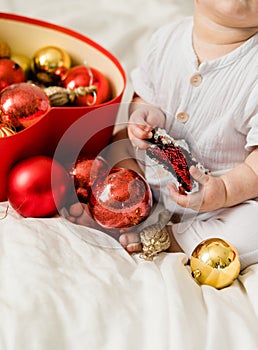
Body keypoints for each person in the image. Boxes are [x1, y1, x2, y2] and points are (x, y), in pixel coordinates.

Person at [68, 0, 258, 270]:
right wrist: (144, 117)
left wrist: (225, 191)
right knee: (115, 145)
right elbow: (144, 99)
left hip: (222, 198)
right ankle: (125, 205)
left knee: (253, 229)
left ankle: (172, 237)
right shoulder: (166, 39)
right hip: (152, 171)